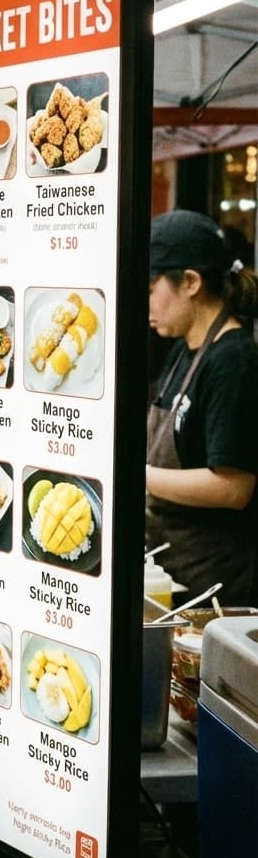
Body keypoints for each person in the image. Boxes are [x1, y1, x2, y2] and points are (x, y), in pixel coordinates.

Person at [146, 208, 258, 607]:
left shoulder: (234, 359)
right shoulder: (181, 348)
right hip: (172, 573)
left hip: (217, 588)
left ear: (190, 282)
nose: (146, 307)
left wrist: (136, 477)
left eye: (150, 289)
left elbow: (234, 487)